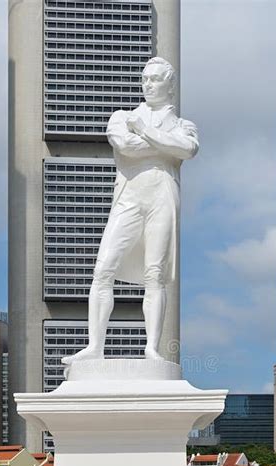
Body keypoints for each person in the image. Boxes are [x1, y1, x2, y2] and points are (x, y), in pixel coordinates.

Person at [62, 56, 199, 365]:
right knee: (103, 268)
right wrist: (165, 145)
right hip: (130, 198)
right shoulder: (123, 117)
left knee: (155, 274)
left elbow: (188, 149)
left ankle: (152, 347)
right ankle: (94, 346)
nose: (147, 84)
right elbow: (126, 147)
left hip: (162, 197)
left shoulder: (184, 125)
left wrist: (147, 133)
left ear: (170, 86)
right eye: (145, 78)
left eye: (155, 79)